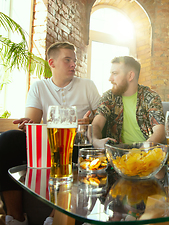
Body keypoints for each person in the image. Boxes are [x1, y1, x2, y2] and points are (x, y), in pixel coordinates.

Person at [0, 42, 101, 225]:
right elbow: (33, 123)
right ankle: (15, 218)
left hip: (75, 145)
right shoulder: (39, 87)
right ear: (52, 63)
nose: (73, 64)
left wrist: (90, 121)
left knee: (81, 146)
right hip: (47, 144)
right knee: (7, 139)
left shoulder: (88, 86)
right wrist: (28, 123)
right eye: (67, 60)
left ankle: (56, 218)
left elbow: (102, 117)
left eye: (74, 60)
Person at [92, 56, 165, 148]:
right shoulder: (109, 96)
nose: (110, 79)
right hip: (116, 154)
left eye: (115, 73)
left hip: (146, 155)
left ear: (130, 76)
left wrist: (141, 151)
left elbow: (160, 132)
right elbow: (96, 124)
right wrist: (95, 141)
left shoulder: (150, 97)